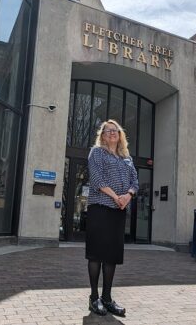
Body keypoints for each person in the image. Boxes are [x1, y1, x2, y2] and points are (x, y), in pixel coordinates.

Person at [85, 120, 138, 317]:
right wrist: (117, 197)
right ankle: (93, 298)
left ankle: (107, 298)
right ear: (103, 135)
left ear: (120, 134)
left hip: (119, 211)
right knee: (97, 254)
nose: (112, 133)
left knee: (111, 256)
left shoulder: (126, 157)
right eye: (108, 131)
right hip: (100, 208)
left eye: (115, 130)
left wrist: (129, 195)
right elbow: (97, 179)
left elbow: (135, 181)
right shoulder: (97, 152)